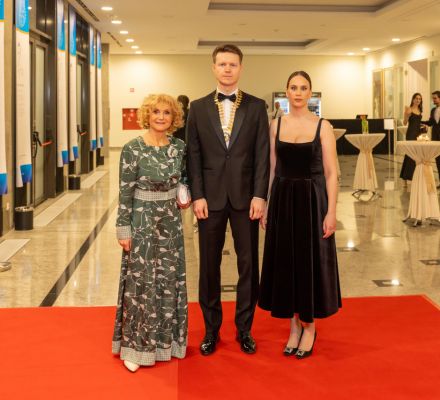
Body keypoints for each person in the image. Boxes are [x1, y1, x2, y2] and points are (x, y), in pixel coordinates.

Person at [186, 44, 269, 356]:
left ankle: (244, 329)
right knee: (209, 266)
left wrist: (260, 194)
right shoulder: (198, 107)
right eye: (222, 64)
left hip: (247, 198)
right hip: (210, 199)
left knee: (249, 265)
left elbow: (262, 154)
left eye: (233, 64)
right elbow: (193, 156)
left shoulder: (257, 106)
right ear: (213, 68)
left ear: (240, 68)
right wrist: (197, 195)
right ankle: (211, 330)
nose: (227, 69)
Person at [258, 71, 341, 360]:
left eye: (303, 88)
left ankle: (309, 325)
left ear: (310, 93)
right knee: (287, 262)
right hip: (283, 200)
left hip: (312, 201)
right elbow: (271, 168)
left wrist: (331, 212)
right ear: (286, 92)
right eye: (293, 87)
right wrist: (267, 204)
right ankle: (293, 325)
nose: (298, 92)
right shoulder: (276, 124)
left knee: (308, 263)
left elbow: (331, 174)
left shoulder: (323, 126)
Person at [112, 94, 190, 372]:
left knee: (169, 279)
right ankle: (137, 348)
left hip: (170, 221)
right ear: (147, 115)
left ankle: (168, 343)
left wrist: (185, 194)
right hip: (142, 221)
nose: (161, 117)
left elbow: (185, 179)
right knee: (142, 283)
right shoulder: (132, 148)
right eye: (156, 112)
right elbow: (125, 192)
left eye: (167, 113)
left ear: (174, 118)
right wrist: (123, 228)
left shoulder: (179, 147)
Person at [400, 93, 423, 187]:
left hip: (418, 135)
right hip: (410, 134)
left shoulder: (420, 110)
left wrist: (423, 126)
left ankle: (413, 177)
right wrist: (406, 115)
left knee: (416, 156)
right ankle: (405, 178)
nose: (418, 100)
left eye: (419, 99)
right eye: (416, 98)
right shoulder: (409, 109)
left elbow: (418, 123)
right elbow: (405, 123)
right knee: (409, 155)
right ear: (413, 99)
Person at [422, 91, 440, 187]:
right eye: (433, 98)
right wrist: (419, 121)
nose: (433, 100)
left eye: (435, 98)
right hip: (436, 138)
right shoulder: (433, 110)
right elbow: (431, 122)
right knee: (438, 160)